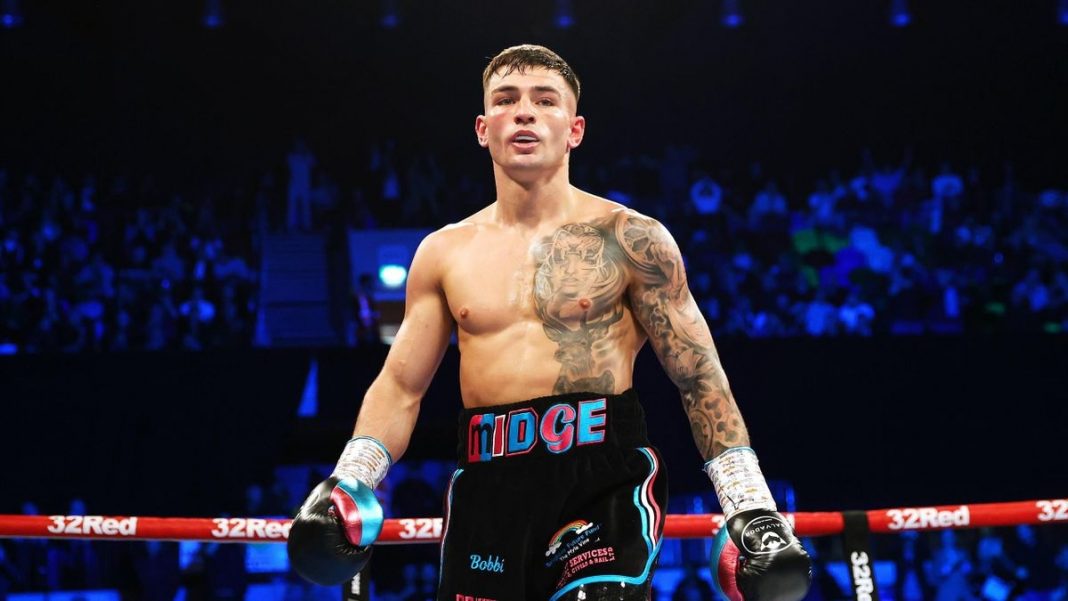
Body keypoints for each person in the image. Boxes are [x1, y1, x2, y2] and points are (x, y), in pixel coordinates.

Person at [288, 44, 811, 601]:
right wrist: (350, 480)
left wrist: (748, 502)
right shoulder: (443, 253)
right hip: (488, 483)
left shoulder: (631, 240)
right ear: (483, 129)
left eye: (545, 100)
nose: (525, 112)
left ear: (575, 128)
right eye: (506, 100)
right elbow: (401, 386)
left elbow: (699, 376)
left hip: (600, 479)